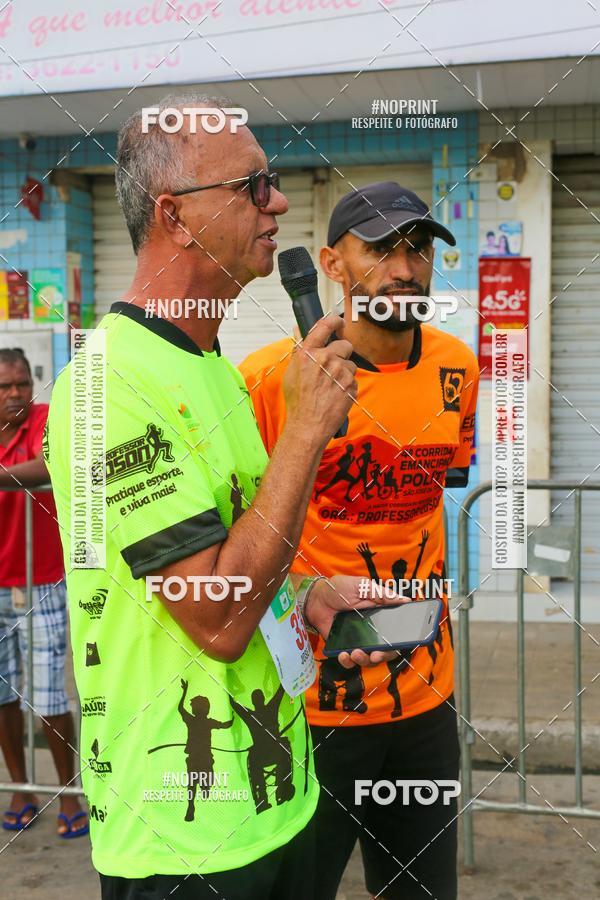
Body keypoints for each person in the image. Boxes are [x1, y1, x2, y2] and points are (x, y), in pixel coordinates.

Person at [45, 95, 397, 900]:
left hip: (278, 800)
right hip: (186, 842)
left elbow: (239, 557)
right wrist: (304, 431)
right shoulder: (111, 384)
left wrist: (308, 595)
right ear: (174, 215)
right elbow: (218, 618)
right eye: (254, 186)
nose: (279, 204)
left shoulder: (212, 368)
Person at [240, 182, 480, 900]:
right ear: (332, 264)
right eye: (379, 250)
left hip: (425, 699)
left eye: (418, 249)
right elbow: (233, 541)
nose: (404, 269)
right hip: (307, 710)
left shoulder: (458, 367)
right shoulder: (268, 380)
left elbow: (437, 491)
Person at [0, 348, 88, 838]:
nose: (15, 394)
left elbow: (52, 465)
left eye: (22, 384)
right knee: (2, 693)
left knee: (50, 691)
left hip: (42, 581)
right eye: (4, 387)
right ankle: (21, 788)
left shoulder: (45, 418)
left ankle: (68, 791)